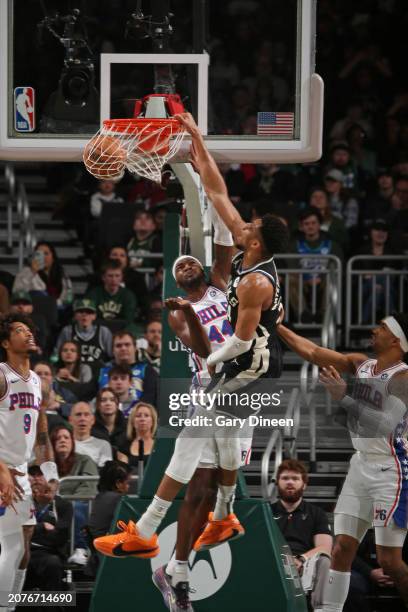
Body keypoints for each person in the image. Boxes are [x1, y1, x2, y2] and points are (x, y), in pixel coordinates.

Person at [94, 111, 288, 588]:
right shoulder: (239, 265)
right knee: (204, 464)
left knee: (188, 448)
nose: (244, 226)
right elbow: (220, 195)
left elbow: (241, 342)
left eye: (251, 226)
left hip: (249, 367)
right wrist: (197, 141)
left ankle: (146, 532)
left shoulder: (249, 281)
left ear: (257, 241)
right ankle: (205, 532)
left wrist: (213, 367)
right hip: (237, 372)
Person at [276, 313, 408, 612]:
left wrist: (344, 397)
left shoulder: (403, 377)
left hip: (392, 470)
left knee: (390, 561)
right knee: (342, 548)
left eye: (383, 328)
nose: (375, 329)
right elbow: (312, 352)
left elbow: (386, 425)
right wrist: (275, 326)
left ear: (396, 341)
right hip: (360, 464)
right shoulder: (361, 363)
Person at [0, 313, 57, 609]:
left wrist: (50, 474)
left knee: (23, 545)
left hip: (19, 470)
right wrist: (2, 472)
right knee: (10, 544)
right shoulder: (0, 375)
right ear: (6, 343)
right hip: (2, 470)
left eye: (29, 329)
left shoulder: (38, 382)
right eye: (20, 330)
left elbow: (43, 436)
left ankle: (10, 605)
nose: (29, 333)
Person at [271, 459, 332, 611]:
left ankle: (320, 609)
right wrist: (285, 560)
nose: (290, 482)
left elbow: (325, 547)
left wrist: (300, 559)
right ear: (277, 482)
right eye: (285, 478)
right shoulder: (266, 512)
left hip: (305, 562)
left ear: (304, 484)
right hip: (275, 561)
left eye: (295, 478)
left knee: (324, 561)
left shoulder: (316, 513)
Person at [50, 425, 99, 566]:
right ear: (52, 444)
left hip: (76, 504)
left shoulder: (85, 461)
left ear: (72, 442)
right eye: (58, 438)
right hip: (50, 505)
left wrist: (65, 501)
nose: (62, 440)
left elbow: (89, 488)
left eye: (66, 437)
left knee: (77, 507)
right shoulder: (46, 464)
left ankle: (80, 549)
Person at [290, 208, 343, 322]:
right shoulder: (294, 245)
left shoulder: (332, 245)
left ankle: (324, 315)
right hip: (302, 282)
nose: (310, 226)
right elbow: (292, 268)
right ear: (301, 227)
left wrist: (321, 278)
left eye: (314, 223)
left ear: (320, 225)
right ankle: (303, 314)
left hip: (323, 281)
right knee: (290, 279)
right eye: (307, 224)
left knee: (331, 278)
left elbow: (336, 268)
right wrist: (306, 279)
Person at [25, 467, 73, 593]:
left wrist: (31, 531)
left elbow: (60, 537)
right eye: (32, 474)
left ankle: (52, 606)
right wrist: (42, 527)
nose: (36, 478)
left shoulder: (63, 505)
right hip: (23, 550)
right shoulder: (21, 502)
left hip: (49, 552)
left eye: (40, 474)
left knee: (53, 563)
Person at [87, 460, 132, 574]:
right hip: (110, 558)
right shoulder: (118, 500)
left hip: (98, 555)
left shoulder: (100, 497)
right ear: (118, 483)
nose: (128, 487)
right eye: (127, 482)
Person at [98, 331, 158, 406]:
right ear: (112, 350)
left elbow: (150, 398)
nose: (123, 348)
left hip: (138, 415)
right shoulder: (101, 371)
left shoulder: (147, 370)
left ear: (135, 347)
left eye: (127, 345)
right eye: (118, 346)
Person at [12, 242, 73, 309]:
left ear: (53, 257)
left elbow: (68, 295)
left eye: (46, 253)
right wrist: (32, 272)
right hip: (37, 310)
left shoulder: (62, 273)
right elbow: (17, 292)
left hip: (59, 309)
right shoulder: (26, 271)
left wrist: (58, 304)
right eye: (39, 254)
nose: (43, 257)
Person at [56, 298, 113, 368]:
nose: (84, 315)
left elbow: (112, 356)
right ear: (75, 316)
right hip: (73, 372)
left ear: (94, 316)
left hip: (98, 373)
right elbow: (58, 356)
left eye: (89, 312)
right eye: (80, 312)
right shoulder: (67, 331)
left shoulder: (103, 332)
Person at [85, 259, 137, 326]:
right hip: (98, 331)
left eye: (117, 276)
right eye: (110, 276)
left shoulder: (128, 295)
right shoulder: (93, 294)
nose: (114, 279)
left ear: (122, 278)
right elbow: (88, 318)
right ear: (103, 277)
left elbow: (128, 321)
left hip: (121, 332)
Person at [68, 402, 113, 468]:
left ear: (93, 420)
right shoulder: (64, 444)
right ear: (70, 420)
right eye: (78, 415)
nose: (82, 419)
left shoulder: (103, 445)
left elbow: (105, 472)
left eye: (86, 415)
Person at [117, 402, 157, 469]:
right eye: (138, 416)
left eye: (146, 415)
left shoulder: (160, 445)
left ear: (153, 421)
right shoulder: (123, 445)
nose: (142, 419)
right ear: (132, 421)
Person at [9, 291, 49, 357]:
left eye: (25, 304)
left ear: (31, 307)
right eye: (16, 303)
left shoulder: (39, 320)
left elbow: (41, 344)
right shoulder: (5, 322)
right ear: (9, 307)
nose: (20, 306)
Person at [91, 388, 127, 455]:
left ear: (117, 404)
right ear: (98, 405)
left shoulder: (127, 426)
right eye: (103, 400)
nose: (108, 403)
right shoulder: (91, 427)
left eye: (112, 400)